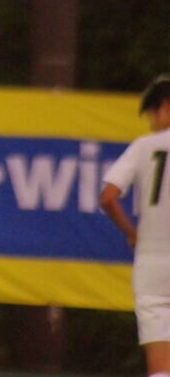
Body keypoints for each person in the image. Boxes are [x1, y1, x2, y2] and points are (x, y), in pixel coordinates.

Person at [100, 74, 170, 377]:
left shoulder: (144, 147)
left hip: (152, 264)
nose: (152, 123)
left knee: (160, 368)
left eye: (152, 115)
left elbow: (108, 197)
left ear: (165, 107)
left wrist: (131, 233)